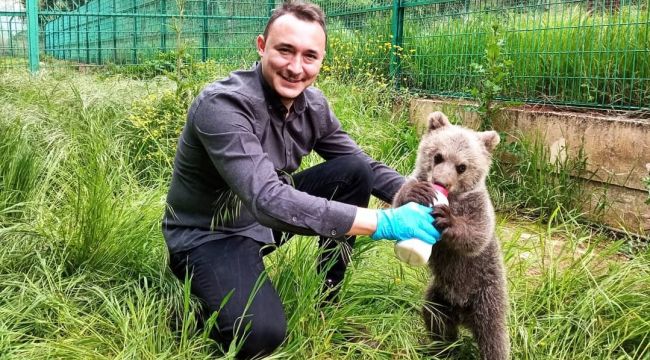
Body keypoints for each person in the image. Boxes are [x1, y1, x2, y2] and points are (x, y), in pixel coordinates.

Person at [162, 1, 441, 358]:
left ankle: (326, 301)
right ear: (262, 46)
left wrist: (419, 196)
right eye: (284, 50)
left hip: (266, 219)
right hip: (211, 234)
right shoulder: (223, 106)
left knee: (353, 171)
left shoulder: (313, 106)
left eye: (310, 56)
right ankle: (194, 305)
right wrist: (384, 222)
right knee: (260, 334)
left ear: (322, 60)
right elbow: (266, 198)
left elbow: (361, 165)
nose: (296, 68)